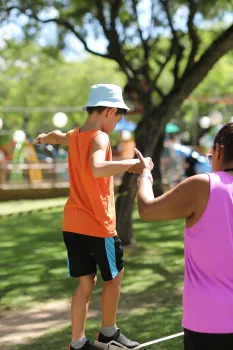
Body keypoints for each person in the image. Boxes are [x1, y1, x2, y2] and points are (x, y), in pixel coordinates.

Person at [33, 84, 153, 350]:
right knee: (116, 275)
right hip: (98, 223)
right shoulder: (99, 137)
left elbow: (57, 135)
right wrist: (134, 164)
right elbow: (97, 168)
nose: (119, 121)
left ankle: (77, 342)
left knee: (85, 282)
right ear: (109, 111)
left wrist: (42, 138)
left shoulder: (75, 135)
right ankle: (108, 332)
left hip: (73, 223)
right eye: (119, 116)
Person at [136, 122, 233, 350]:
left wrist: (144, 176)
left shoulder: (204, 186)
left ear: (218, 149)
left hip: (208, 323)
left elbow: (147, 209)